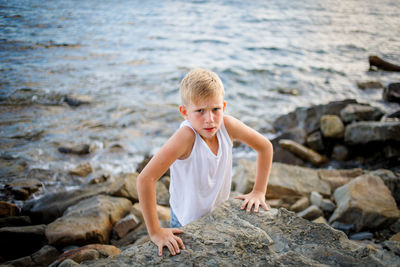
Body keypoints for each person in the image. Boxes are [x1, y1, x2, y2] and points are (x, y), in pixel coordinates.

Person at [137, 68, 273, 257]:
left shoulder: (227, 125)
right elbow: (145, 179)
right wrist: (155, 231)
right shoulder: (185, 137)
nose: (209, 119)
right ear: (184, 112)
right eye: (200, 111)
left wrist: (259, 191)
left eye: (215, 109)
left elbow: (265, 147)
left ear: (223, 107)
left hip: (217, 215)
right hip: (187, 222)